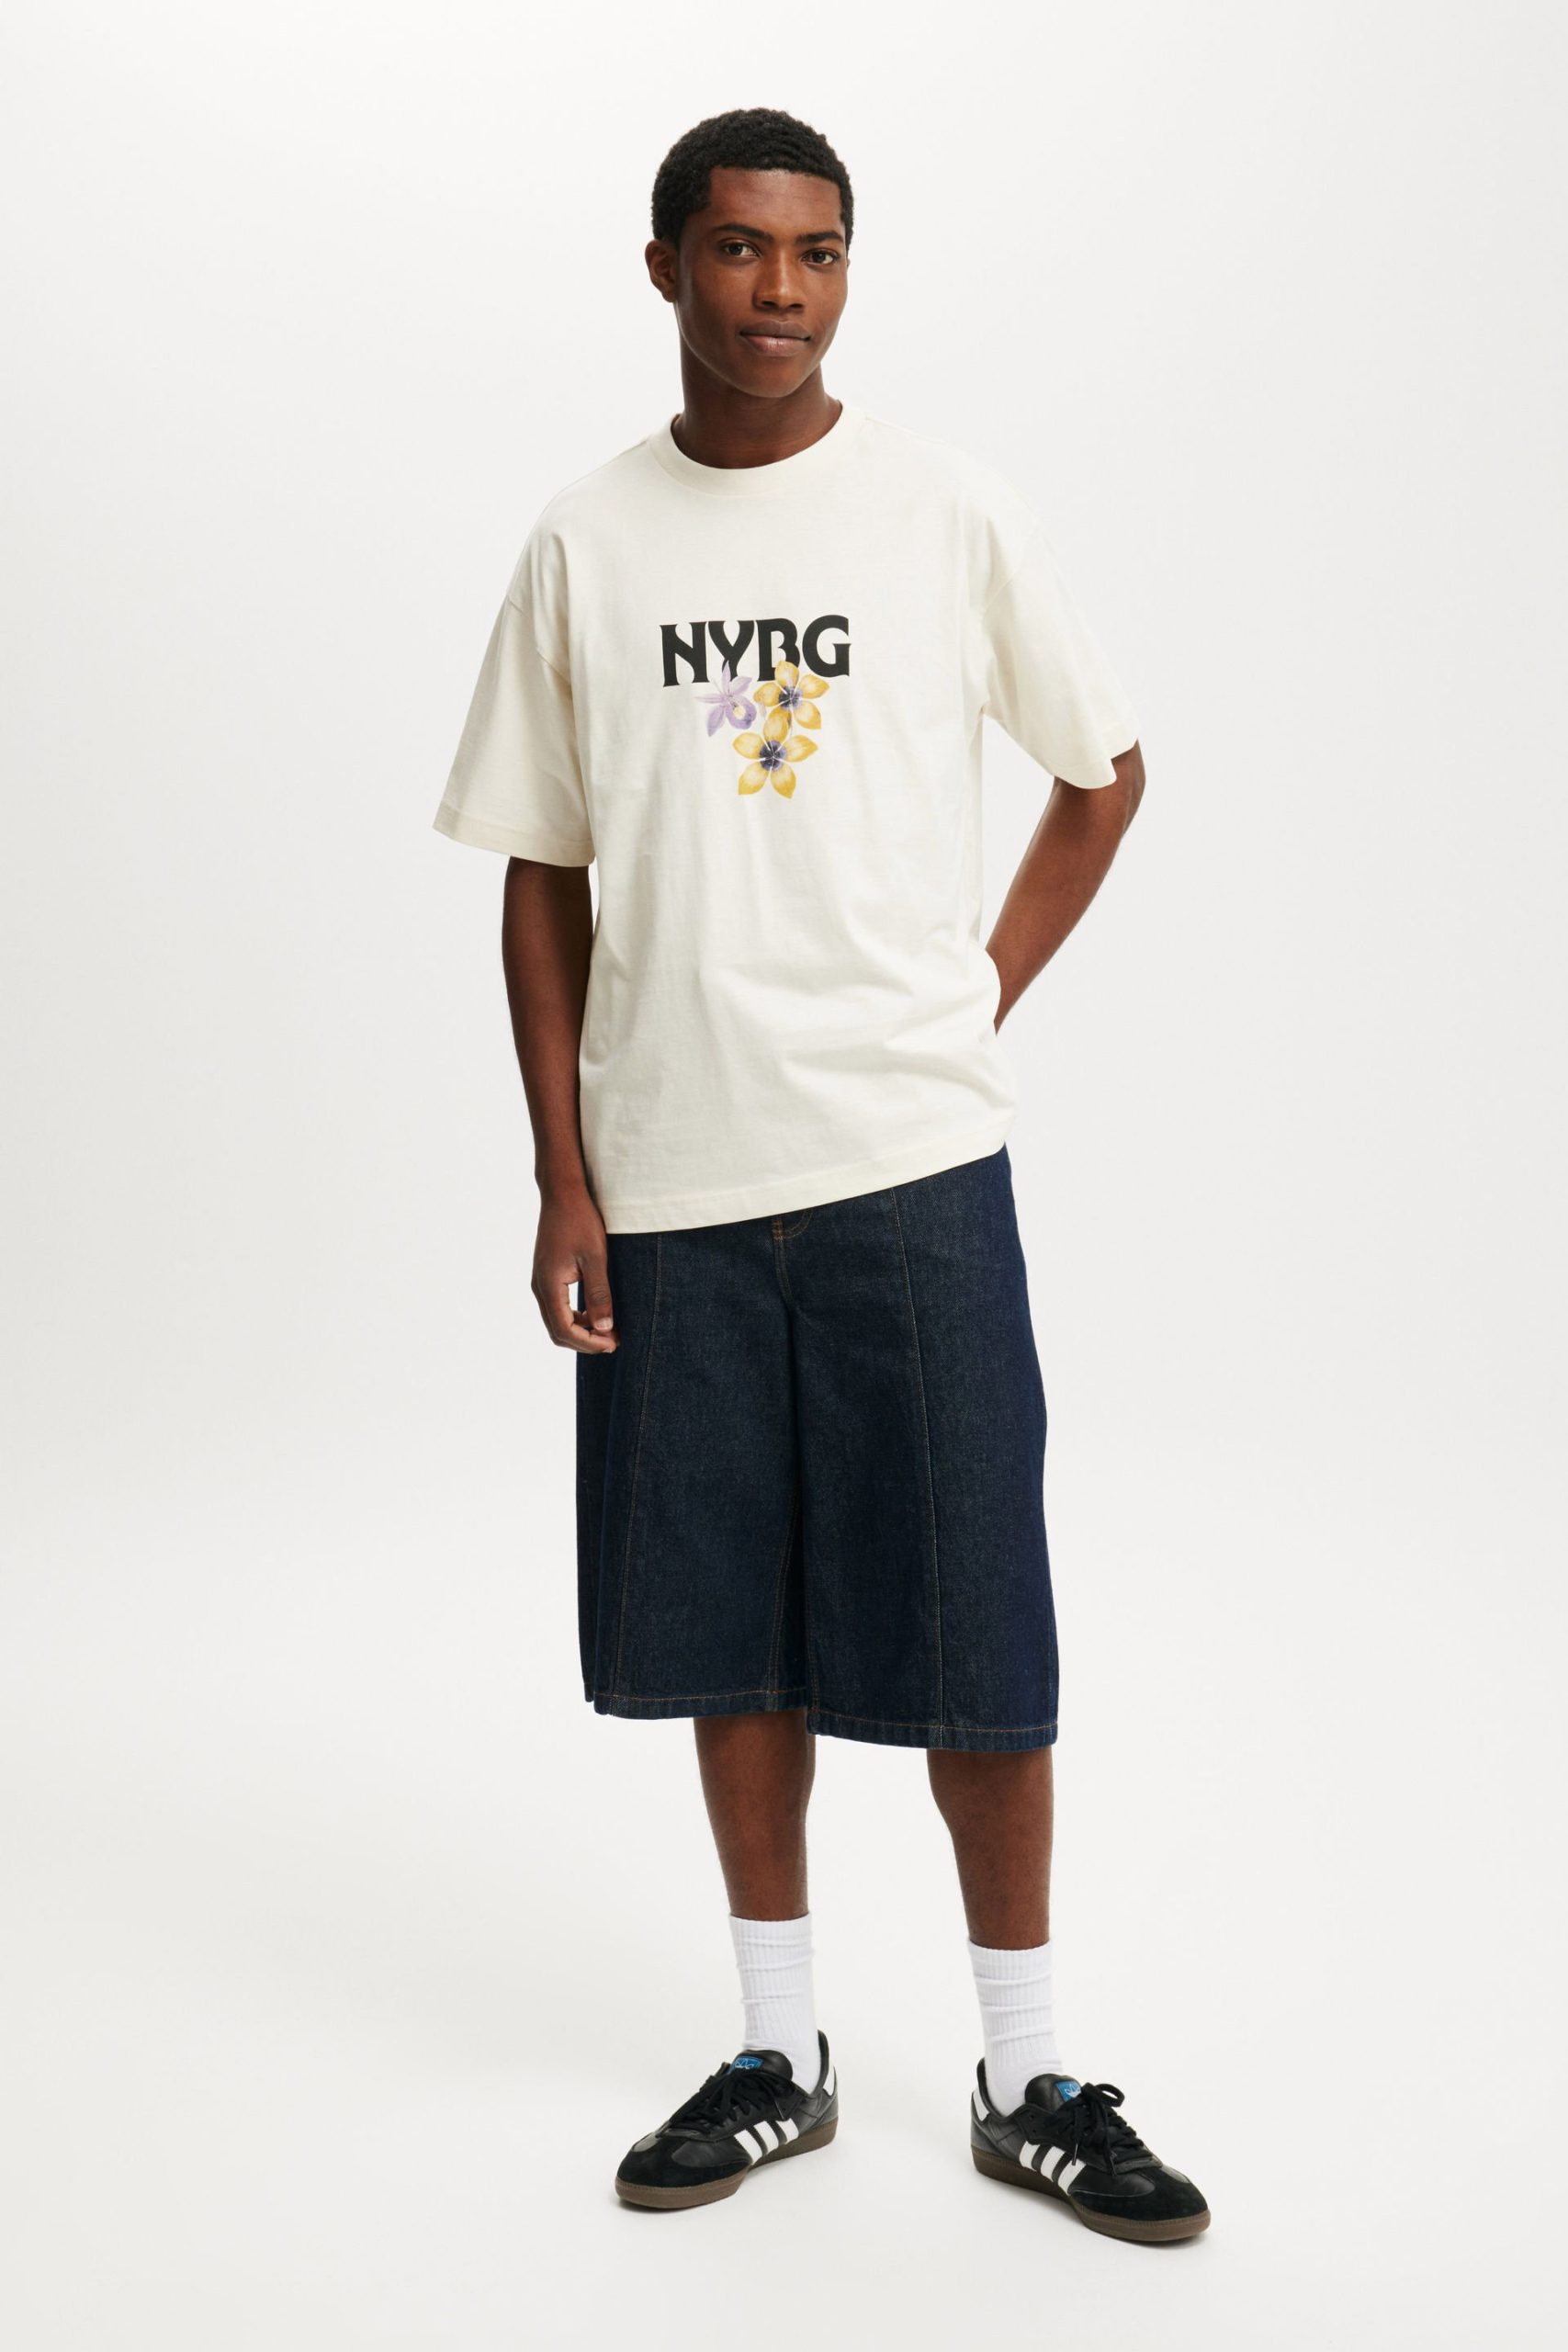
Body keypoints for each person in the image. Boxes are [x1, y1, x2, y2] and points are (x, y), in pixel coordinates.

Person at [434, 107, 1209, 2244]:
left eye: (815, 251)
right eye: (736, 248)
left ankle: (1030, 2071)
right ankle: (777, 2046)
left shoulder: (943, 510)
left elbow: (1102, 770)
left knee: (976, 1617)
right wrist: (562, 1174)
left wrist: (972, 993)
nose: (776, 289)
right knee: (729, 1628)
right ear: (663, 267)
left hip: (903, 1153)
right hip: (673, 1173)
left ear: (844, 271)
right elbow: (538, 876)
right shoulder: (585, 540)